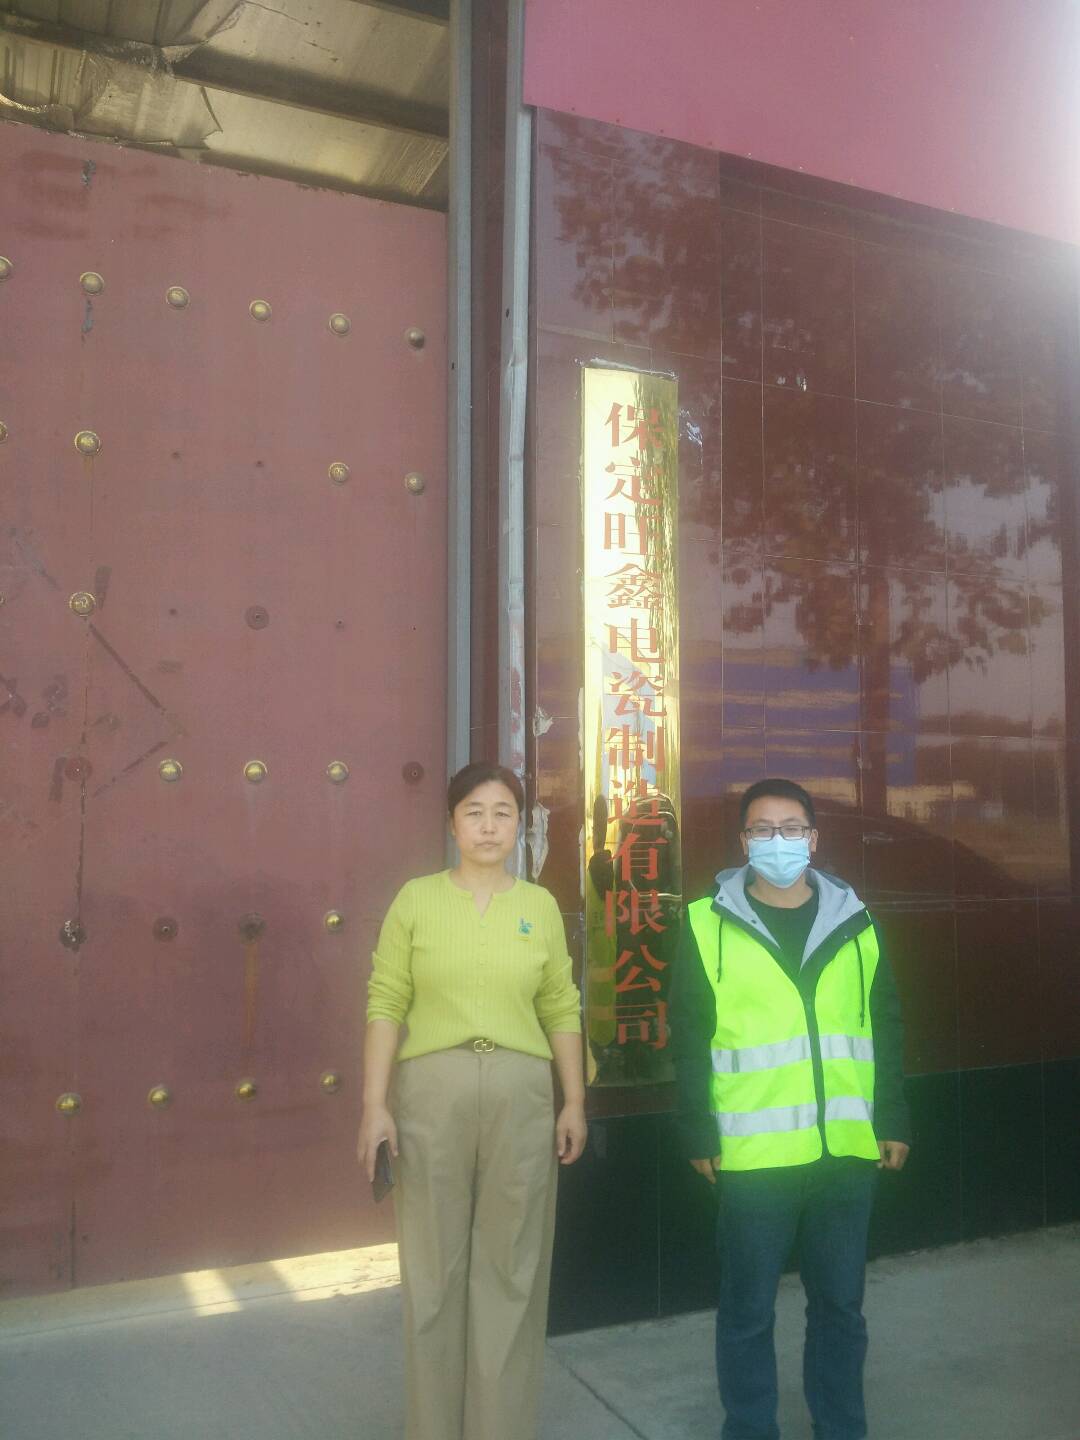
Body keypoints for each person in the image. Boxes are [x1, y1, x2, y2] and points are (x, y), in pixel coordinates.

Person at [671, 777, 910, 1440]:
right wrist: (697, 1128)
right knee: (748, 1313)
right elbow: (688, 1034)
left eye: (791, 828)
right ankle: (750, 1429)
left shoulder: (856, 921)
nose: (778, 841)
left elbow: (884, 1023)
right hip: (753, 1156)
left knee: (840, 1310)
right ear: (743, 841)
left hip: (844, 1153)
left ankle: (841, 1427)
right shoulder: (706, 924)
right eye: (762, 829)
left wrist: (892, 1116)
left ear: (814, 838)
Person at [357, 761, 587, 1440]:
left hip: (521, 1092)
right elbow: (386, 1000)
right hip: (433, 1091)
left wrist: (573, 1100)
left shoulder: (539, 907)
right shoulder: (415, 900)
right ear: (452, 823)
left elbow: (561, 1005)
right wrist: (374, 1104)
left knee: (511, 1268)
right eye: (474, 812)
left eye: (503, 813)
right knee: (433, 1271)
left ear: (521, 826)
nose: (489, 827)